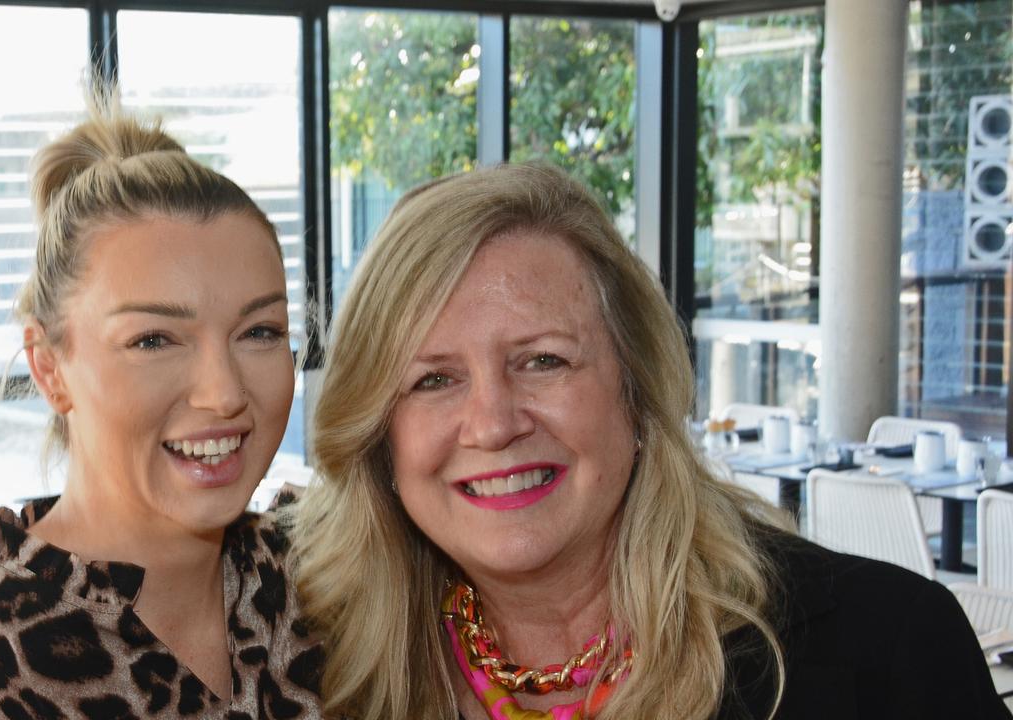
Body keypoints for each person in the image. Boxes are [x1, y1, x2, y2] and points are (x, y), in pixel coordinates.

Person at [289, 162, 1008, 719]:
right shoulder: (316, 664)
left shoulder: (887, 652)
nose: (492, 423)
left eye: (544, 361)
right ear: (381, 437)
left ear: (636, 388)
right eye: (433, 381)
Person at [0, 96, 323, 719]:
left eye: (260, 332)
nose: (223, 393)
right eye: (153, 339)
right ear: (50, 368)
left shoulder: (330, 583)